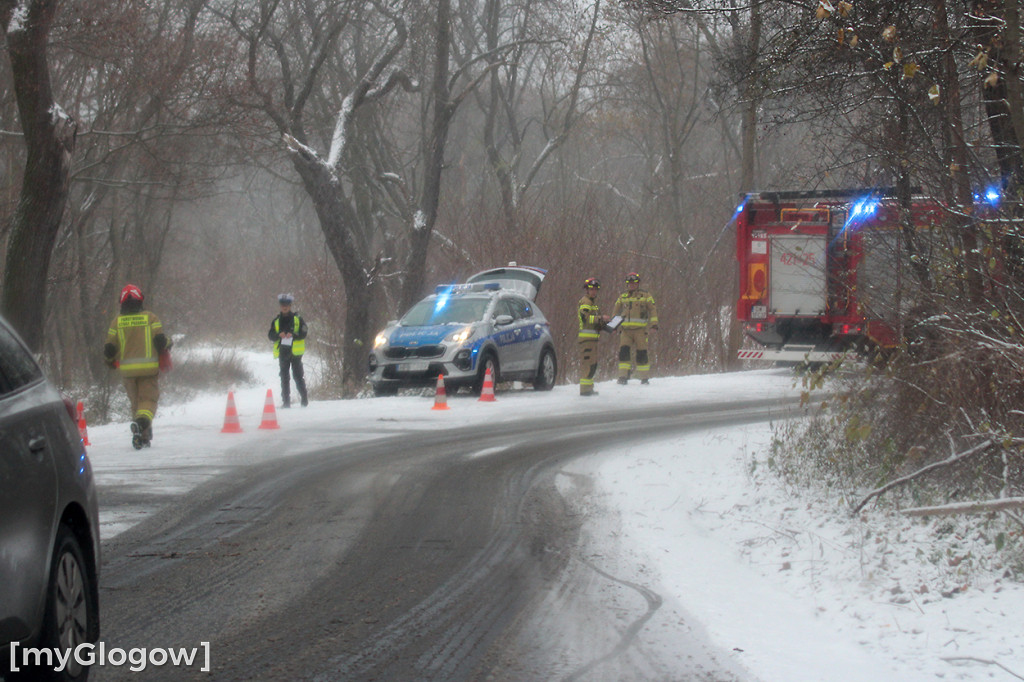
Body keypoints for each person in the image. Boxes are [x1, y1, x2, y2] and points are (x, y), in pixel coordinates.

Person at [104, 284, 171, 450]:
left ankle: (140, 436)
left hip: (128, 372)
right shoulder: (150, 318)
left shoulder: (116, 322)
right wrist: (169, 344)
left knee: (135, 404)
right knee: (147, 402)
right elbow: (161, 341)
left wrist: (109, 361)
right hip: (148, 370)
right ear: (140, 300)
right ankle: (142, 427)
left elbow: (109, 348)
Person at [612, 271, 659, 384]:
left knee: (642, 353)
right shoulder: (622, 296)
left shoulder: (646, 296)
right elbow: (616, 311)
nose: (632, 285)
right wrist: (613, 326)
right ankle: (623, 377)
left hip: (640, 331)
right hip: (625, 331)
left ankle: (644, 378)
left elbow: (652, 310)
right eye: (630, 283)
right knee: (624, 353)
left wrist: (654, 325)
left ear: (638, 284)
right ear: (627, 284)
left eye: (634, 283)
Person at [268, 293, 308, 408]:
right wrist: (278, 335)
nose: (284, 307)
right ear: (280, 306)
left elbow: (304, 332)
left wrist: (294, 335)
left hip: (295, 353)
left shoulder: (298, 319)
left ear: (290, 306)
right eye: (282, 305)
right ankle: (286, 402)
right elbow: (270, 335)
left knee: (298, 376)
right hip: (283, 352)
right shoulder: (276, 321)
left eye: (287, 305)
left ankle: (304, 400)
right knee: (284, 377)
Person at [578, 277, 609, 396]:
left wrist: (607, 325)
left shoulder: (593, 304)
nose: (594, 291)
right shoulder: (585, 302)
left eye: (596, 289)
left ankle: (589, 388)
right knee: (587, 365)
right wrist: (601, 318)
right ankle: (585, 390)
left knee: (593, 364)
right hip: (586, 339)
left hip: (593, 339)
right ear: (586, 289)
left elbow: (595, 322)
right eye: (591, 289)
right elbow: (585, 318)